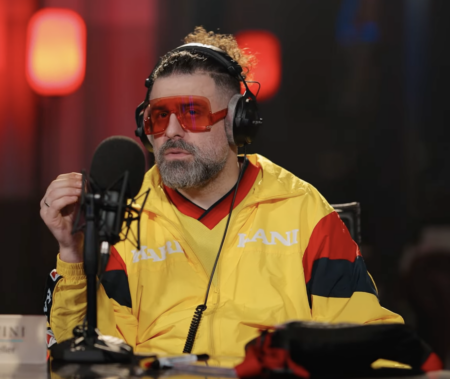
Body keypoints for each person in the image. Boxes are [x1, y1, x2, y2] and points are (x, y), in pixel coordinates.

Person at [41, 27, 403, 357]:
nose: (171, 131)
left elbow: (367, 342)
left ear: (236, 122)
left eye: (191, 113)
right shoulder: (121, 217)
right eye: (159, 115)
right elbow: (81, 359)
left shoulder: (303, 210)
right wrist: (72, 254)